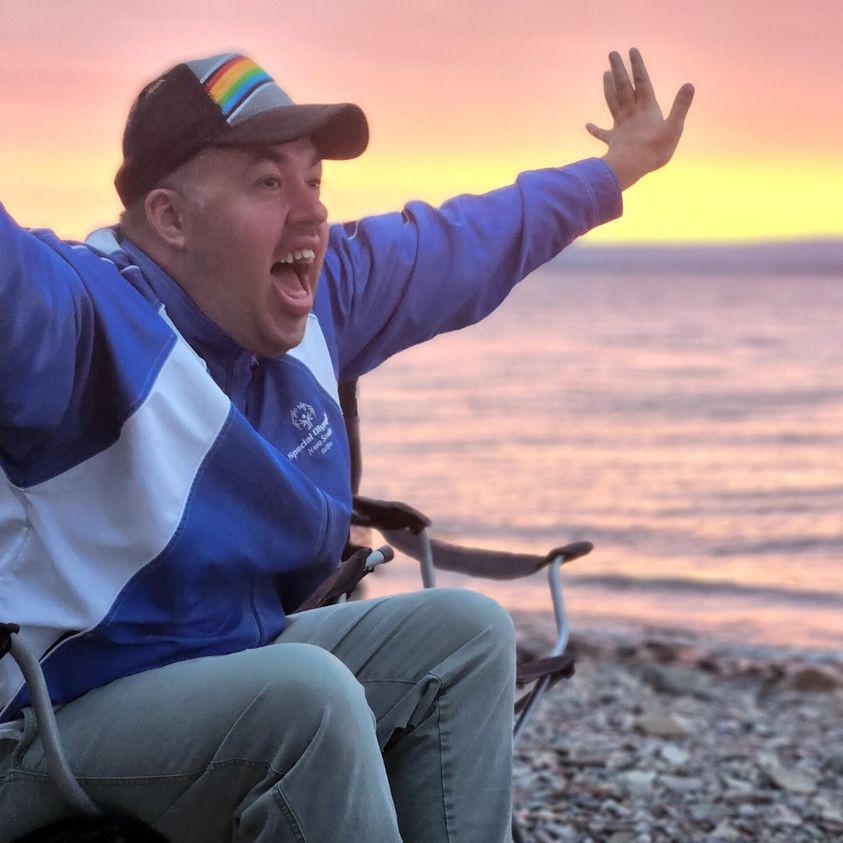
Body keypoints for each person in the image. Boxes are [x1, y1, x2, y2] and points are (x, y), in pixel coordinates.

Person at [0, 49, 693, 842]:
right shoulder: (74, 323)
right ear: (170, 218)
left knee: (464, 633)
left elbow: (465, 240)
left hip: (224, 667)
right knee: (306, 697)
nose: (311, 211)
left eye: (314, 181)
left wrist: (613, 171)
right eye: (268, 182)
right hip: (48, 727)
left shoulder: (316, 304)